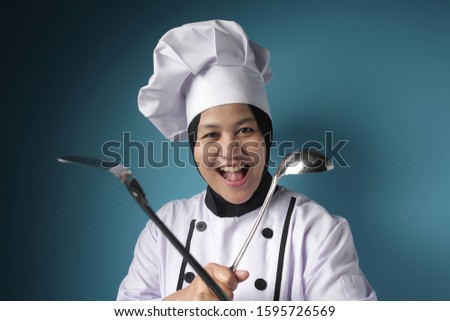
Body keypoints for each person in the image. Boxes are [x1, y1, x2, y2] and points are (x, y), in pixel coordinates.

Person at [117, 20, 376, 301]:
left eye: (244, 130)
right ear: (193, 148)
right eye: (211, 135)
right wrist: (182, 303)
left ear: (266, 138)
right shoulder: (164, 227)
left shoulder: (316, 229)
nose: (229, 151)